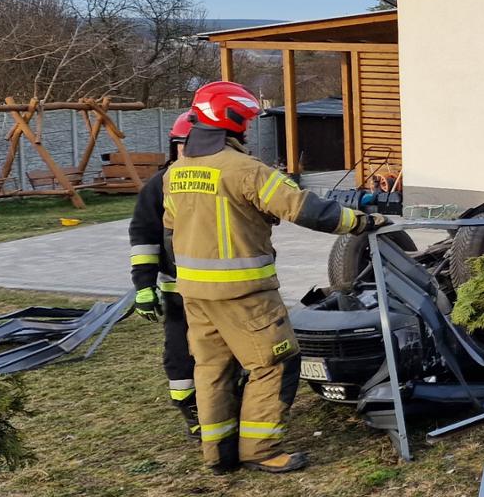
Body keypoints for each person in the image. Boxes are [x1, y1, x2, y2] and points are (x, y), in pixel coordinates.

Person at [165, 81, 385, 474]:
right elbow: (305, 209)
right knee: (275, 363)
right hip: (244, 293)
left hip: (195, 293)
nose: (248, 128)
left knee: (212, 369)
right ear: (231, 120)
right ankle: (261, 450)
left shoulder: (177, 172)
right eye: (245, 120)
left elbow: (172, 225)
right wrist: (361, 221)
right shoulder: (244, 169)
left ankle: (218, 454)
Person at [129, 113, 200, 439]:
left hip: (224, 290)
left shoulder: (216, 179)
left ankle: (229, 404)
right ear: (175, 147)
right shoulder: (158, 186)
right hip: (178, 293)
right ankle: (192, 411)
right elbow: (143, 236)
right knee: (179, 356)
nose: (190, 152)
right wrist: (144, 286)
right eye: (184, 145)